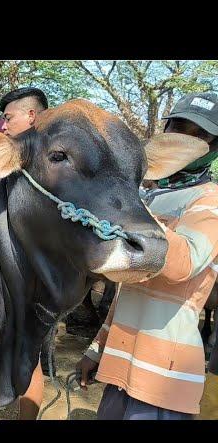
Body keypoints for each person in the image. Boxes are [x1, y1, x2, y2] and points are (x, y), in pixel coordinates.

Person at [77, 91, 218, 420]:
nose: (188, 140)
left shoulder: (209, 200)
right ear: (166, 129)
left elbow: (184, 263)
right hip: (120, 365)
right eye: (180, 127)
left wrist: (132, 209)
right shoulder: (151, 196)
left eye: (202, 136)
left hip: (164, 378)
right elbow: (126, 289)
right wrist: (97, 348)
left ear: (213, 148)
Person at [0, 87, 49, 420]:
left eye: (8, 118)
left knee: (29, 353)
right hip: (2, 270)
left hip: (33, 277)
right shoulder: (18, 154)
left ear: (31, 115)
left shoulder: (49, 160)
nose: (3, 126)